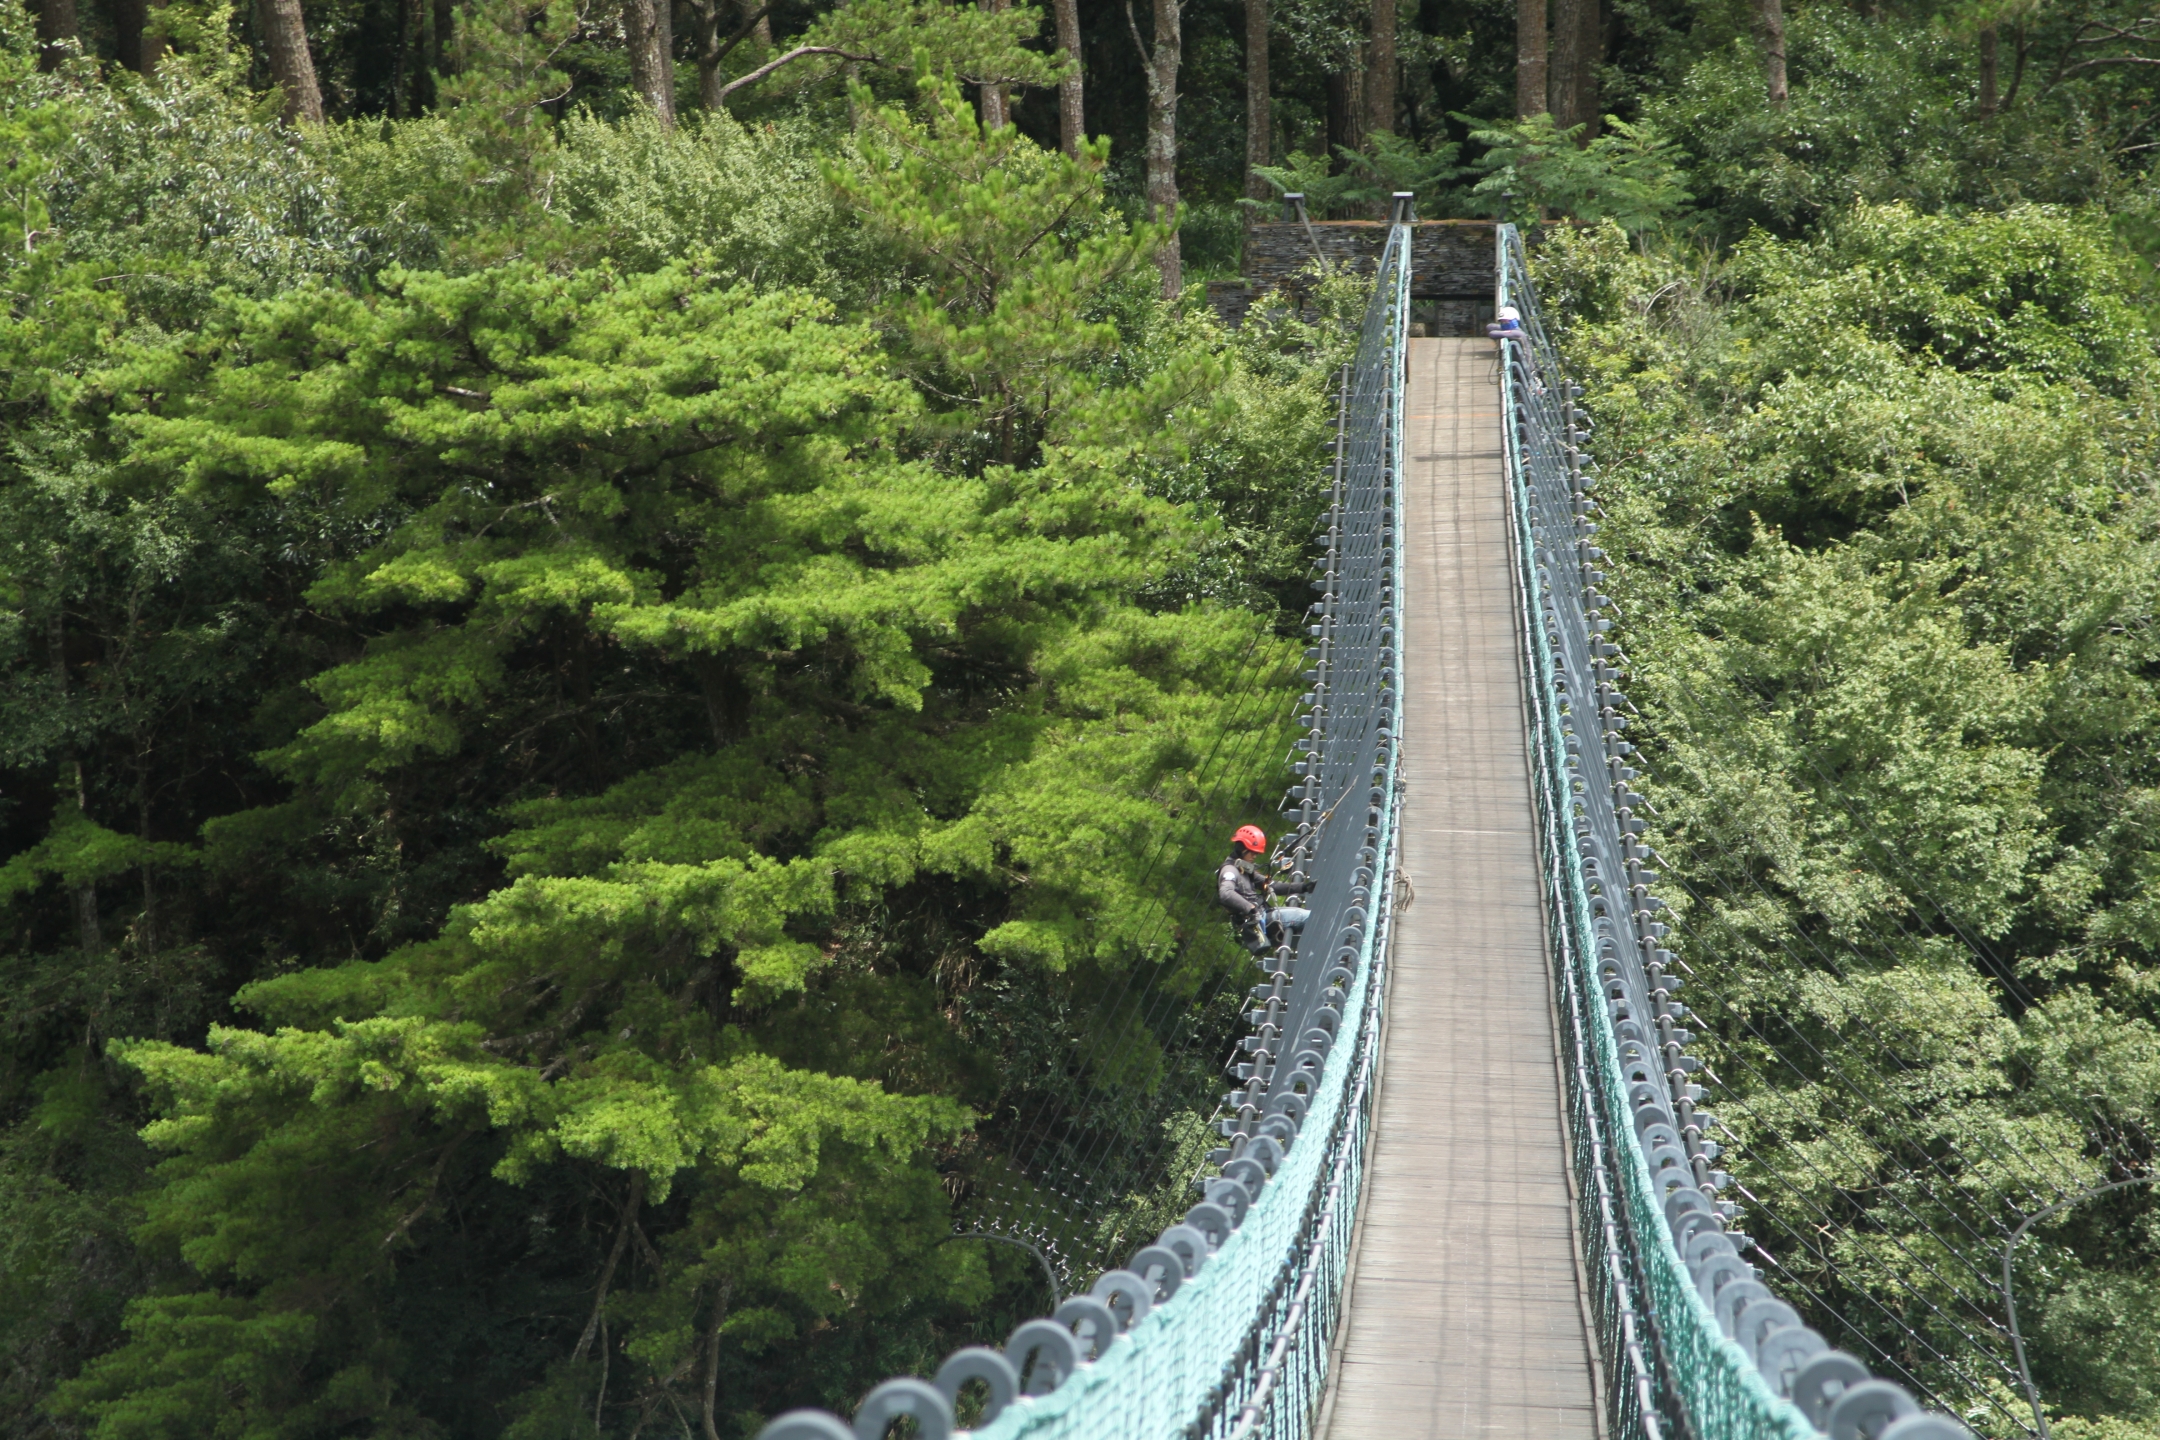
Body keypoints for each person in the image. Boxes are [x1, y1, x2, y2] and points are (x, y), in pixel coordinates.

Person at [1216, 826, 1312, 955]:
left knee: (1306, 917)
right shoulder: (1230, 870)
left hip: (1264, 914)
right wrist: (1250, 908)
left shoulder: (1243, 868)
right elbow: (1225, 893)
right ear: (1242, 849)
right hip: (1258, 921)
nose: (1255, 856)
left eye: (1256, 853)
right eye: (1252, 852)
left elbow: (1271, 885)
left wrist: (1303, 887)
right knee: (1310, 917)